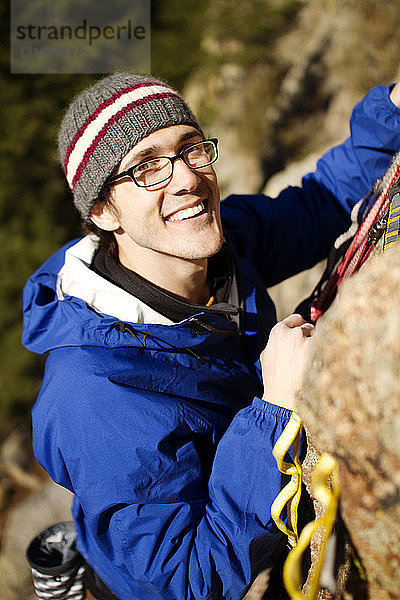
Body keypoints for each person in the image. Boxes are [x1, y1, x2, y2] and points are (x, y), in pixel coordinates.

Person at [22, 73, 400, 600]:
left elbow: (320, 204)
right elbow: (190, 580)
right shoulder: (94, 396)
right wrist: (274, 411)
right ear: (103, 212)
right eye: (147, 167)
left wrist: (394, 109)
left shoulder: (219, 243)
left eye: (191, 149)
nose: (186, 180)